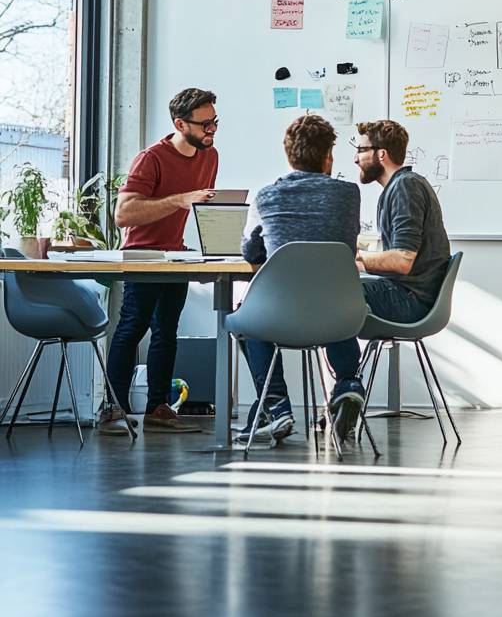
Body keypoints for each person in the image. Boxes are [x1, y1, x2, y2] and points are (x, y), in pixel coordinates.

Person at [100, 88, 219, 435]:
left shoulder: (210, 157)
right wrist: (179, 200)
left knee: (166, 334)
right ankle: (114, 410)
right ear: (180, 124)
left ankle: (157, 409)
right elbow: (123, 214)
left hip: (176, 256)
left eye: (214, 122)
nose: (211, 130)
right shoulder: (151, 158)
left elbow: (197, 208)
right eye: (205, 124)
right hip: (142, 256)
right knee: (131, 329)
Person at [238, 113, 361, 444]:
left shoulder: (267, 196)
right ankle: (348, 383)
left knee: (248, 317)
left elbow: (250, 253)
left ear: (289, 155)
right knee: (332, 298)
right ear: (328, 157)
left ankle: (277, 406)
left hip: (281, 317)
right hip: (338, 316)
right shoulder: (349, 194)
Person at [351, 119, 451, 430]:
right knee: (337, 295)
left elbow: (403, 261)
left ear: (381, 155)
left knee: (334, 295)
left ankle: (345, 391)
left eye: (361, 150)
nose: (355, 158)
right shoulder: (401, 187)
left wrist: (356, 259)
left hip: (412, 301)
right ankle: (345, 391)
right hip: (411, 295)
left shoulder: (405, 187)